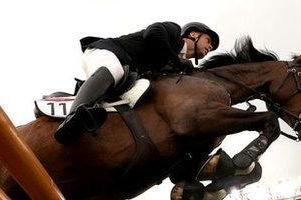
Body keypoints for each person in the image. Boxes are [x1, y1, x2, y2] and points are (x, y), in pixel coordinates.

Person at [54, 22, 219, 144]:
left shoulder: (177, 65)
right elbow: (153, 33)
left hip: (125, 76)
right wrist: (177, 61)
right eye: (208, 40)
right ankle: (71, 119)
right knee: (115, 70)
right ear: (194, 34)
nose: (210, 46)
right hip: (106, 53)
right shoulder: (173, 32)